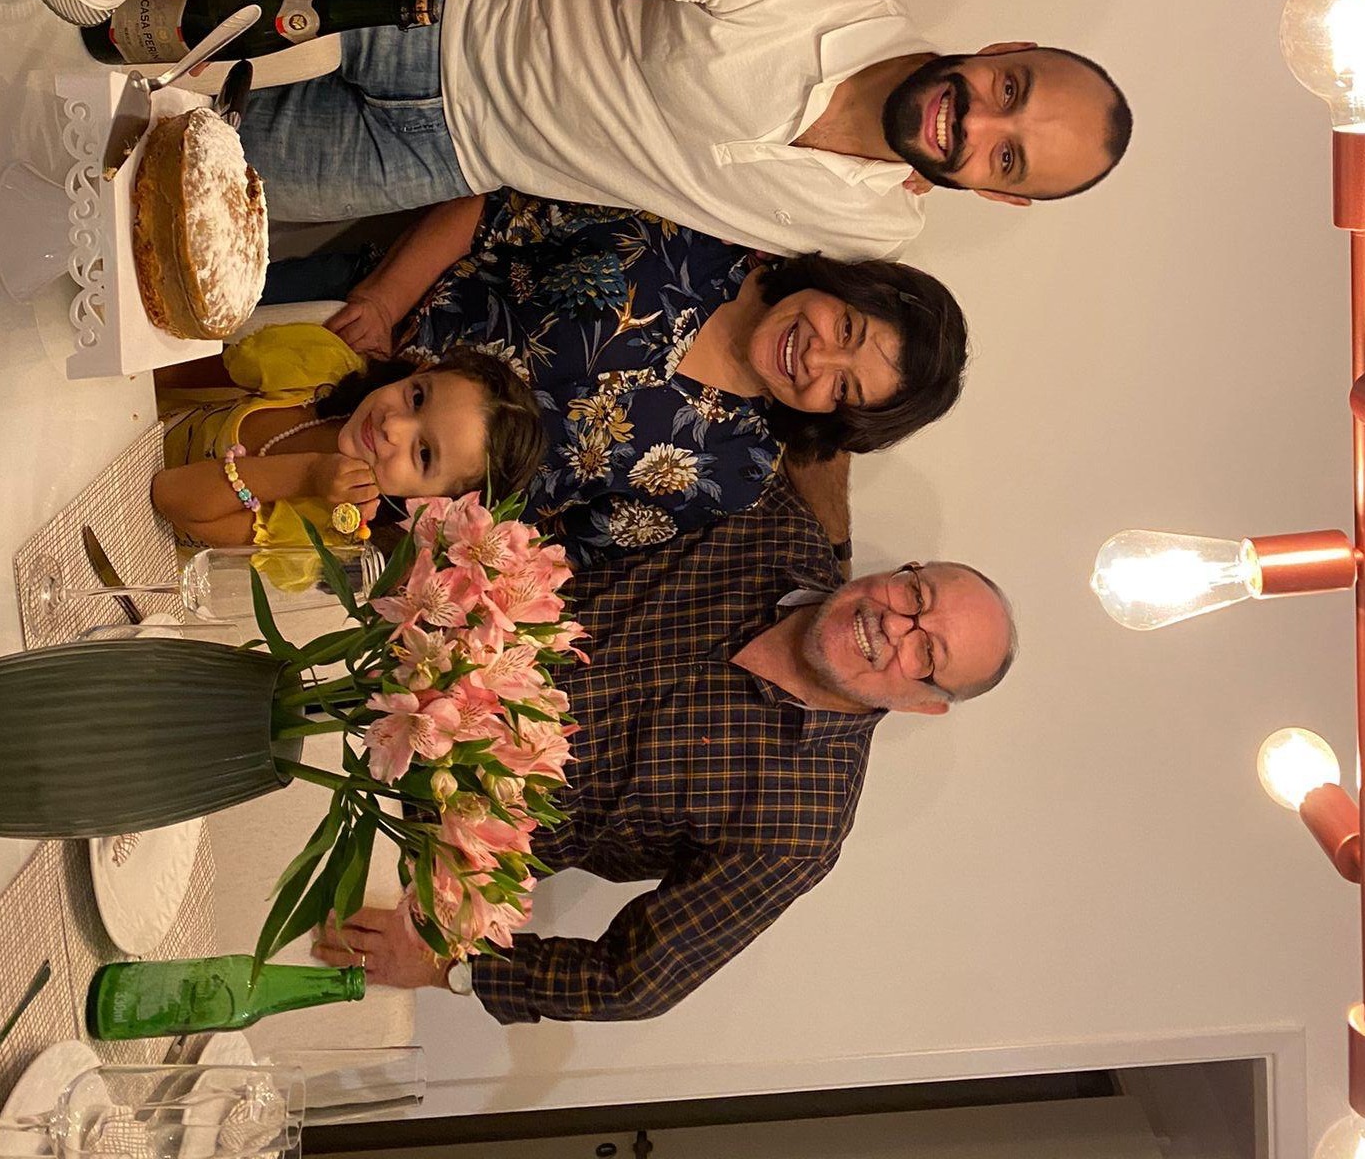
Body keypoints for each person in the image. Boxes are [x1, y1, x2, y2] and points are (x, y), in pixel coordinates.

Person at [309, 476, 1018, 1020]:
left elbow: (634, 981)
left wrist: (447, 968)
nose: (895, 626)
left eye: (927, 653)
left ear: (924, 705)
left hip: (388, 828)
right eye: (915, 595)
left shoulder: (802, 823)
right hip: (369, 635)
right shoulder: (769, 522)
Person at [160, 0, 1133, 259]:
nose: (977, 124)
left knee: (137, 194)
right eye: (1011, 91)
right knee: (127, 20)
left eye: (1008, 157)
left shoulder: (873, 230)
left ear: (997, 195)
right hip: (427, 1)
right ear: (1002, 51)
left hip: (431, 158)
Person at [265, 189, 970, 566]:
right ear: (843, 286)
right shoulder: (695, 233)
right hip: (341, 329)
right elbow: (494, 213)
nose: (816, 360)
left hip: (356, 509)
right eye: (846, 330)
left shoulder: (734, 473)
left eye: (842, 388)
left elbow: (547, 551)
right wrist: (382, 302)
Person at [150, 322, 545, 556]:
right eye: (417, 398)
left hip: (131, 533)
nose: (394, 427)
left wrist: (308, 475)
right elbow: (169, 372)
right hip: (128, 423)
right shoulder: (322, 368)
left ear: (430, 501)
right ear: (420, 370)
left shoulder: (328, 531)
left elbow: (171, 497)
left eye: (424, 454)